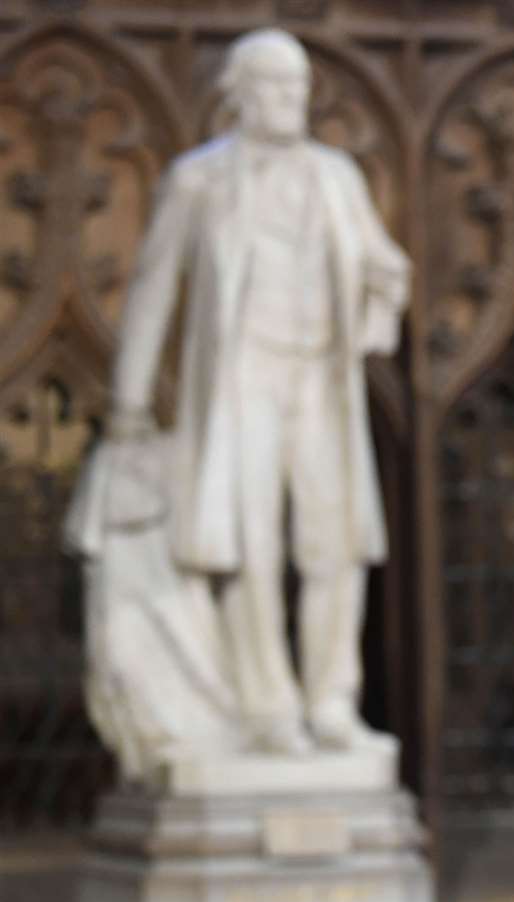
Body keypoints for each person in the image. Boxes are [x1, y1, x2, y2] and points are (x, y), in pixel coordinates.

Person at [106, 28, 409, 754]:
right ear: (237, 94)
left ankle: (331, 700)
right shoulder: (198, 179)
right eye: (272, 85)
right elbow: (151, 292)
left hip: (317, 380)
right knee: (250, 546)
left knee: (334, 546)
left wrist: (375, 321)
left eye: (298, 86)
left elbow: (385, 268)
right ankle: (267, 707)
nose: (288, 99)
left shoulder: (336, 176)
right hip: (244, 381)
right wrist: (128, 400)